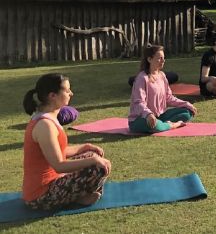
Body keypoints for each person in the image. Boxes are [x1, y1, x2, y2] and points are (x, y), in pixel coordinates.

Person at [22, 73, 111, 210]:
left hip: (53, 182)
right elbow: (59, 165)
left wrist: (85, 147)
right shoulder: (44, 125)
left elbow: (59, 151)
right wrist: (93, 161)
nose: (71, 93)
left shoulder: (50, 117)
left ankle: (79, 196)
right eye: (67, 90)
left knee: (92, 155)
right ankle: (79, 197)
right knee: (97, 166)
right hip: (40, 195)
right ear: (53, 96)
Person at [129, 45, 197, 133]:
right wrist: (148, 114)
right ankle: (172, 125)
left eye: (163, 58)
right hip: (140, 119)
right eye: (159, 58)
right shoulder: (142, 78)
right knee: (155, 125)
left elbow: (169, 98)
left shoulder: (162, 75)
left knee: (187, 113)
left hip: (159, 116)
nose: (163, 61)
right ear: (149, 59)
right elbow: (138, 102)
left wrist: (186, 104)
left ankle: (162, 124)